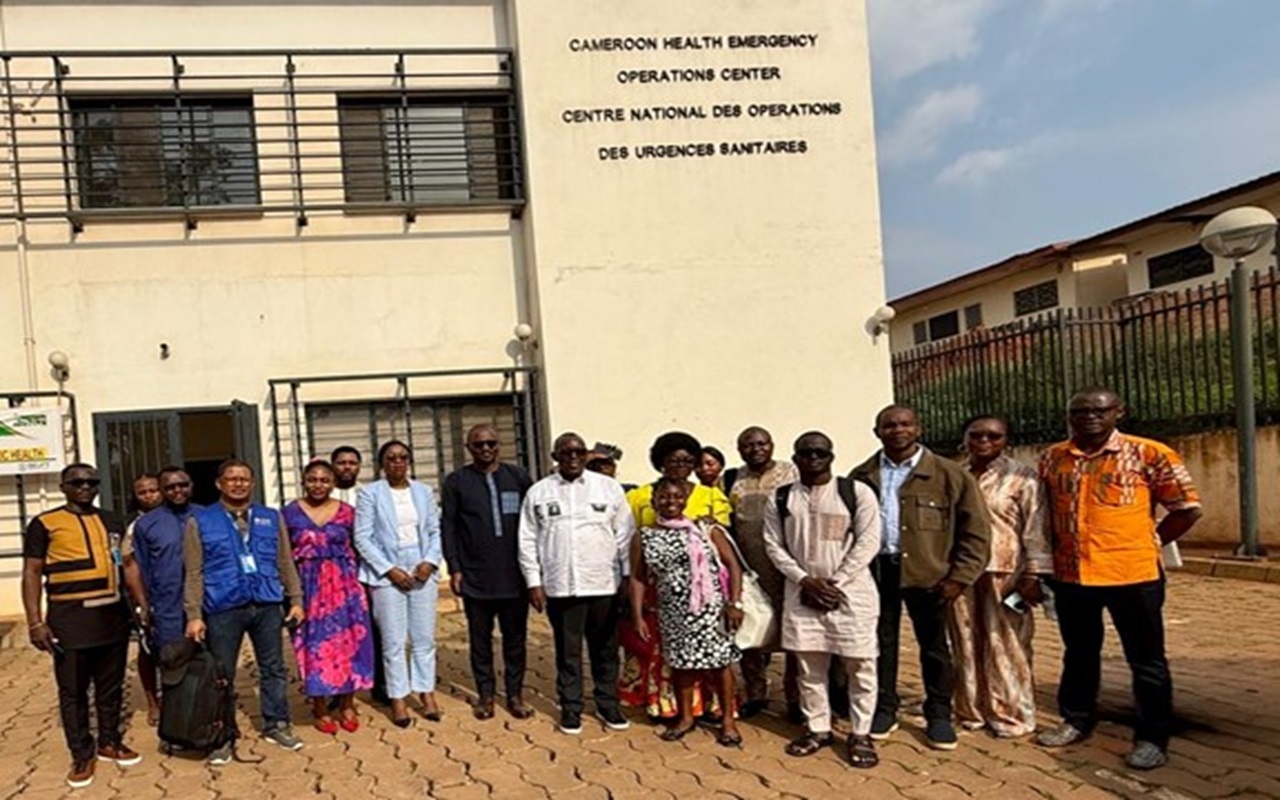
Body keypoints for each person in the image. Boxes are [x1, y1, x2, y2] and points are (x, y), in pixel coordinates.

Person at [1036, 388, 1202, 770]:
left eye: (1099, 410)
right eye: (1078, 412)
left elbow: (1187, 509)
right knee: (1078, 654)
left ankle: (1152, 737)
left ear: (1118, 412)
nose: (1088, 417)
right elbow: (1043, 514)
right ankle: (1076, 720)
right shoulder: (1052, 457)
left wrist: (1152, 540)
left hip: (1134, 575)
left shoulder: (1151, 453)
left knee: (1146, 660)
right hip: (1072, 575)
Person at [849, 405, 991, 751]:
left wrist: (960, 577)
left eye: (905, 424)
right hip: (877, 572)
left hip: (931, 575)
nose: (898, 430)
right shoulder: (861, 475)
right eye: (889, 425)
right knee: (879, 643)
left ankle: (939, 714)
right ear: (877, 431)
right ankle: (884, 709)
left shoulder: (950, 475)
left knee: (935, 648)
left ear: (918, 428)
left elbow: (976, 532)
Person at [764, 433, 882, 767]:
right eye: (805, 453)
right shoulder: (782, 497)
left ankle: (861, 733)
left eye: (820, 453)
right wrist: (805, 581)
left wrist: (836, 582)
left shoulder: (856, 493)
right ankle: (818, 728)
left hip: (851, 594)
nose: (813, 458)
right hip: (801, 591)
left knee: (861, 665)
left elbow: (868, 541)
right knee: (809, 666)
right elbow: (773, 545)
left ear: (831, 456)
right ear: (796, 458)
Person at [23, 463, 140, 789]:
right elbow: (32, 572)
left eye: (91, 481)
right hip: (69, 621)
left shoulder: (113, 520)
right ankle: (81, 752)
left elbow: (128, 565)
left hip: (112, 618)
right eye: (77, 482)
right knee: (73, 691)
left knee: (111, 686)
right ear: (63, 486)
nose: (85, 487)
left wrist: (142, 605)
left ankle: (109, 740)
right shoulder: (45, 523)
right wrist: (35, 622)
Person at [183, 459, 306, 763]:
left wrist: (296, 599)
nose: (238, 484)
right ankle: (222, 735)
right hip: (223, 605)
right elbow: (194, 572)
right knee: (221, 674)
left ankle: (276, 723)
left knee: (274, 668)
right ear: (218, 484)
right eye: (231, 479)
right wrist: (194, 614)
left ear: (252, 483)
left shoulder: (269, 517)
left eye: (244, 479)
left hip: (266, 603)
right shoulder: (200, 520)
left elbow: (285, 561)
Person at [519, 432, 635, 735]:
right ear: (555, 457)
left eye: (578, 452)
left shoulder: (608, 489)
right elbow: (527, 540)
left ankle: (608, 703)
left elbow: (624, 536)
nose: (572, 457)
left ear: (586, 455)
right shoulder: (538, 492)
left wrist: (626, 576)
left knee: (605, 650)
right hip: (561, 586)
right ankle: (571, 708)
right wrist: (534, 582)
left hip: (603, 584)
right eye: (565, 452)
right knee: (568, 652)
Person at [947, 416, 1052, 738]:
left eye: (994, 436)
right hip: (962, 574)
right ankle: (971, 711)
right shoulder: (956, 475)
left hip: (1007, 574)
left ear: (1006, 439)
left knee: (1008, 645)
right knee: (964, 642)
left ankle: (1012, 715)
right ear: (965, 438)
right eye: (976, 435)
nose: (984, 441)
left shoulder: (1023, 478)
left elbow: (1036, 530)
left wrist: (1034, 575)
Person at [620, 432, 731, 722]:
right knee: (661, 652)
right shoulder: (639, 496)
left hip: (703, 591)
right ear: (660, 462)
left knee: (711, 652)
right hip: (659, 588)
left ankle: (710, 706)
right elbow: (632, 544)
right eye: (672, 460)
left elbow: (723, 547)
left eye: (687, 460)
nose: (680, 465)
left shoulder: (710, 496)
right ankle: (667, 707)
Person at [629, 477, 745, 747]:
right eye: (665, 497)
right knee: (681, 664)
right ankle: (685, 718)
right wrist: (637, 616)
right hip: (671, 611)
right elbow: (637, 578)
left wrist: (734, 603)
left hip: (712, 609)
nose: (671, 502)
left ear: (685, 499)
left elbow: (733, 565)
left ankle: (728, 721)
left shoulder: (704, 529)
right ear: (654, 500)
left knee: (719, 663)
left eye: (677, 497)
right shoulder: (644, 535)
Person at [442, 424, 536, 720]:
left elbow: (534, 524)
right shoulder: (457, 481)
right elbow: (449, 526)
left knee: (515, 641)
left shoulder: (518, 477)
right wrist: (454, 567)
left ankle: (515, 695)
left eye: (491, 444)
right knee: (480, 641)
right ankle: (485, 695)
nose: (486, 449)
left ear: (499, 445)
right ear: (469, 448)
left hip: (514, 577)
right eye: (479, 445)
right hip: (475, 577)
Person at [353, 440, 444, 728]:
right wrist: (388, 570)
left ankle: (426, 693)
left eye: (403, 457)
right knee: (393, 642)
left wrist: (429, 562)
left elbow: (434, 531)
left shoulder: (423, 491)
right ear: (382, 464)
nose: (398, 462)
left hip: (421, 572)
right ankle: (398, 699)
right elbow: (362, 538)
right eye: (391, 458)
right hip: (386, 575)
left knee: (423, 639)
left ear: (410, 461)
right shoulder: (369, 494)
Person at [283, 460, 375, 734]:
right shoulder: (288, 514)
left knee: (348, 644)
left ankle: (347, 703)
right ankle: (320, 705)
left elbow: (360, 548)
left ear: (333, 483)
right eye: (312, 479)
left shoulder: (348, 512)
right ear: (303, 481)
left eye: (324, 480)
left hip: (345, 587)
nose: (318, 485)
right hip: (308, 587)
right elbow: (284, 555)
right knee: (312, 646)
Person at [723, 425, 802, 721]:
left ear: (771, 445)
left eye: (761, 443)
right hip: (748, 570)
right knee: (750, 633)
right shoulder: (731, 479)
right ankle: (756, 693)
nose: (755, 449)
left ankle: (795, 697)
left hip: (786, 569)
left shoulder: (790, 473)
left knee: (794, 635)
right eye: (748, 445)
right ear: (739, 449)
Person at [123, 467, 199, 727]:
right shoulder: (144, 525)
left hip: (207, 602)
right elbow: (137, 567)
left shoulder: (207, 516)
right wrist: (144, 605)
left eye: (182, 485)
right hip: (166, 604)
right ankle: (173, 717)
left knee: (207, 658)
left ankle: (207, 709)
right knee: (169, 659)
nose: (176, 491)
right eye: (169, 487)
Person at [331, 444, 388, 706]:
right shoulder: (323, 496)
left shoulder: (369, 495)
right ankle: (337, 688)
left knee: (377, 629)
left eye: (352, 463)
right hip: (335, 577)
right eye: (341, 462)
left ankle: (381, 684)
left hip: (367, 572)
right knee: (337, 633)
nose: (346, 467)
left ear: (359, 467)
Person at [122, 472, 164, 725]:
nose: (149, 495)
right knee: (149, 649)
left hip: (180, 594)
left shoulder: (178, 517)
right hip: (147, 596)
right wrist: (142, 603)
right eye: (143, 492)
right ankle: (153, 702)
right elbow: (128, 565)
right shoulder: (132, 526)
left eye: (153, 490)